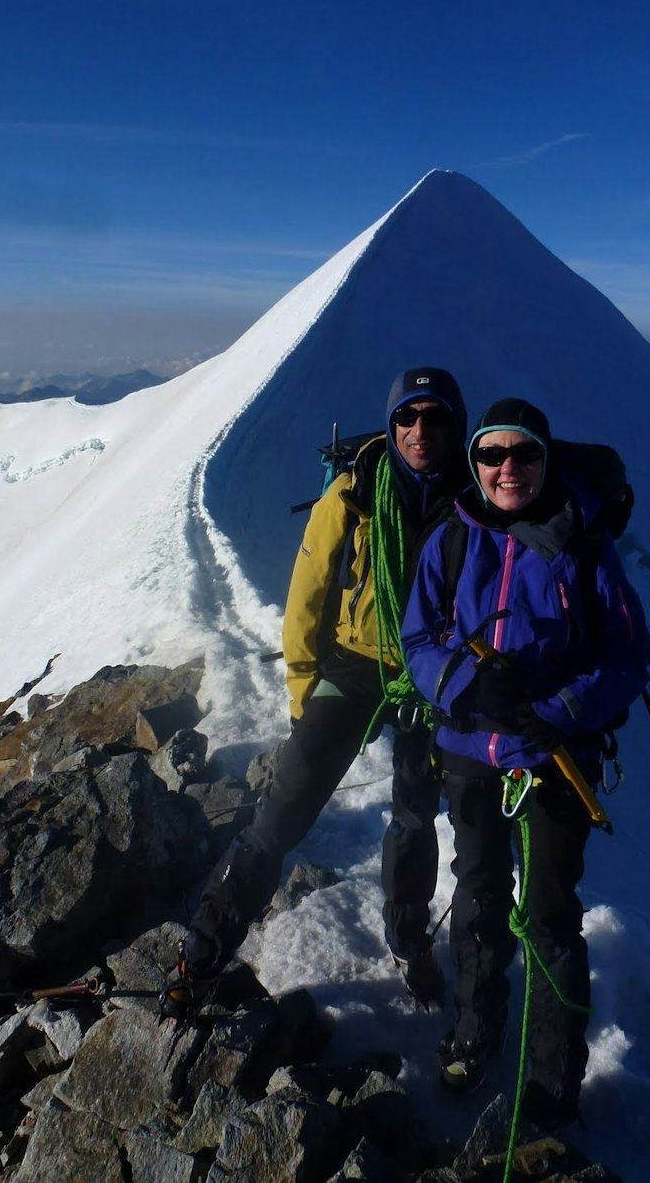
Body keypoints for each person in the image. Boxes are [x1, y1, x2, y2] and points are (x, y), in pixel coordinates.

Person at [167, 367, 469, 1014]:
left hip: (429, 675)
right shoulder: (355, 492)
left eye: (435, 417)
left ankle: (408, 941)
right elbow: (308, 596)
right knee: (283, 807)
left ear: (456, 424)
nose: (420, 430)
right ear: (391, 426)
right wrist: (305, 688)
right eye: (407, 417)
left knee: (415, 818)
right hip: (356, 660)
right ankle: (204, 948)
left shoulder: (473, 505)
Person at [401, 397, 650, 1128]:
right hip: (470, 753)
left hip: (552, 758)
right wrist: (465, 681)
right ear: (474, 463)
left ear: (545, 459)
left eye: (523, 454)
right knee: (478, 893)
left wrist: (559, 710)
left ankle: (552, 1077)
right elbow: (418, 641)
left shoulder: (582, 543)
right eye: (491, 455)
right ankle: (476, 1026)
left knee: (548, 916)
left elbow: (628, 656)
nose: (507, 468)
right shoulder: (452, 536)